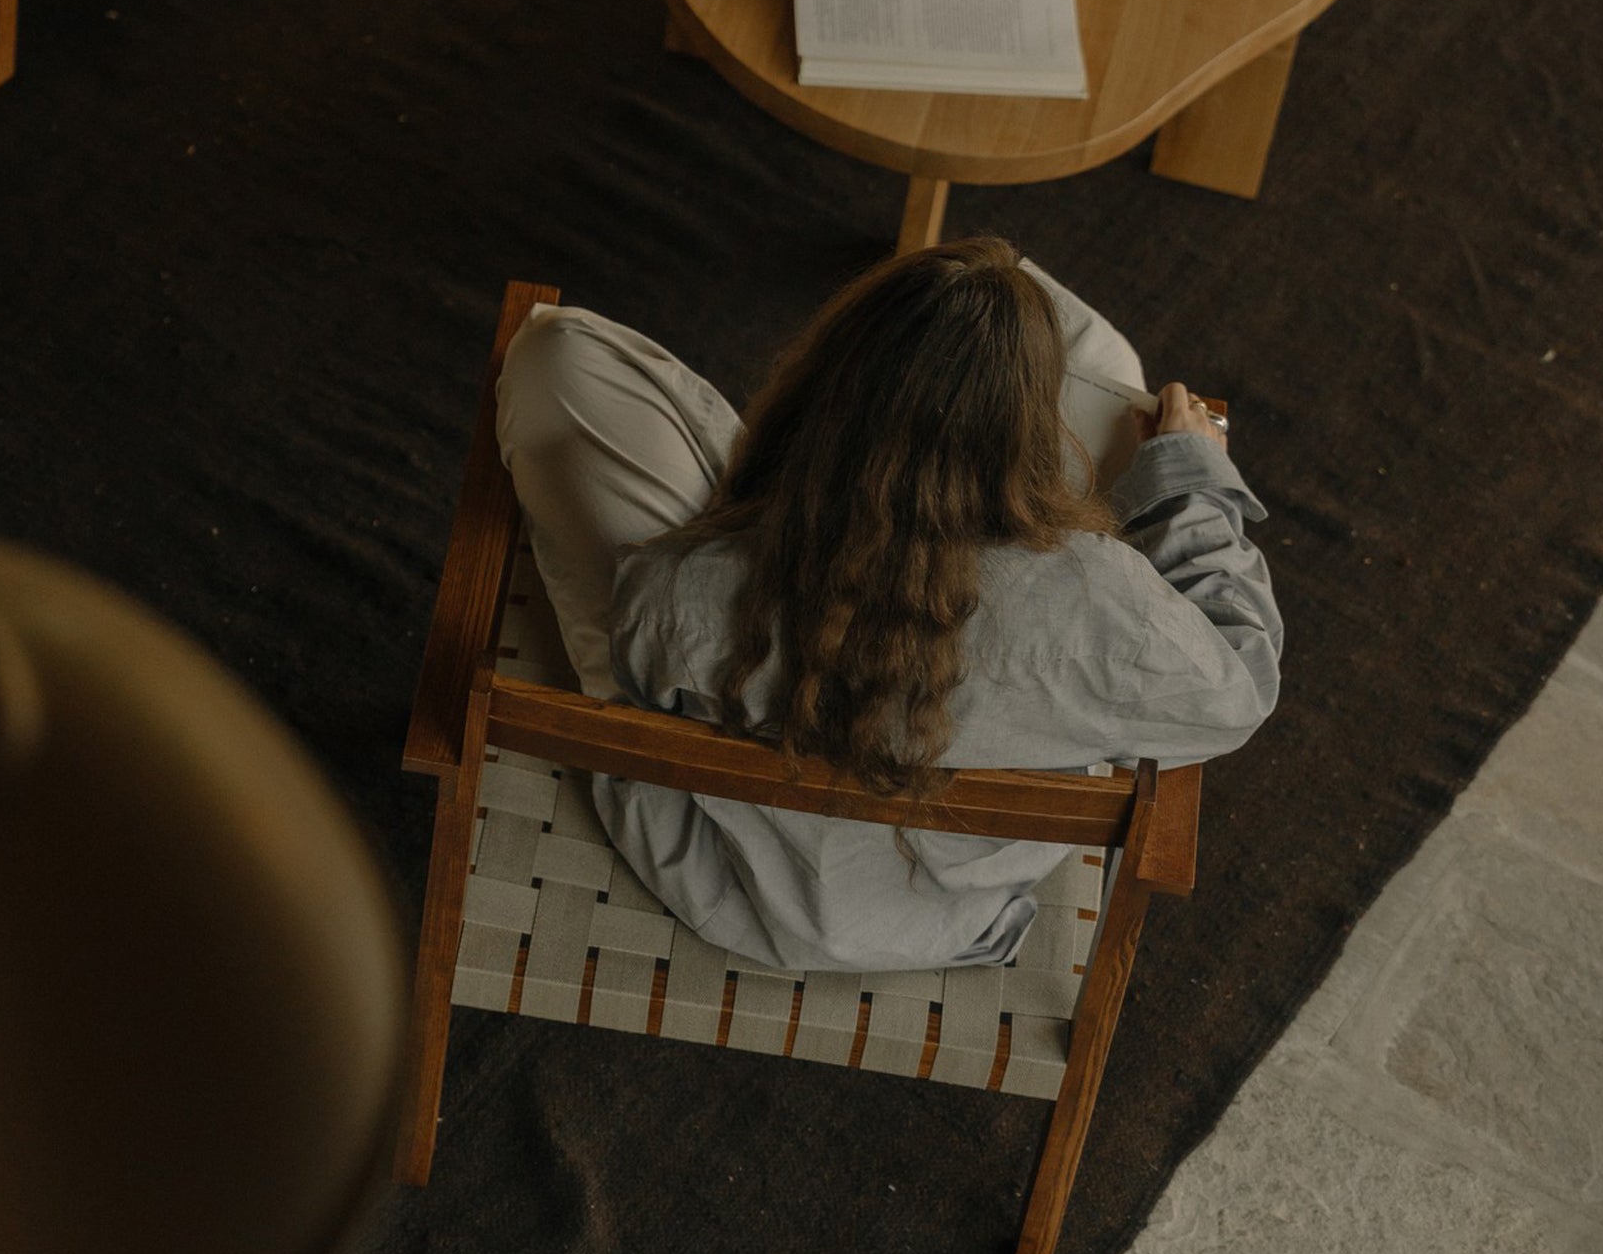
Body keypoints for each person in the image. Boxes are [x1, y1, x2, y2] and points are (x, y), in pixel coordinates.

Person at [496, 238, 1281, 976]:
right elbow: (1241, 684)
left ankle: (934, 309)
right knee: (1106, 364)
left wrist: (756, 519)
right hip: (956, 910)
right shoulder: (1107, 604)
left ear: (829, 392)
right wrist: (1188, 484)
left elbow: (639, 661)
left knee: (556, 352)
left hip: (717, 874)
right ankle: (1002, 313)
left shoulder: (691, 588)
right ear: (1025, 439)